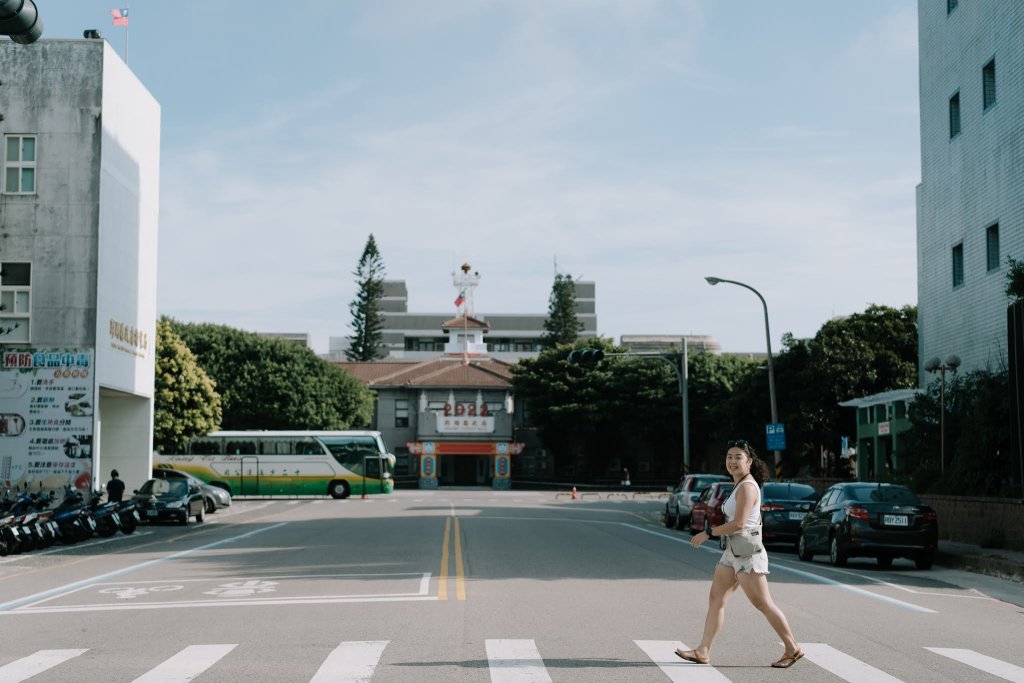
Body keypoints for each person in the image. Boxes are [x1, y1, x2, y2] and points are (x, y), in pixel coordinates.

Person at [676, 440, 803, 669]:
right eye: (729, 457)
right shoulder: (739, 484)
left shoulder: (747, 487)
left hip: (747, 554)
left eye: (738, 457)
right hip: (733, 552)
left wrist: (708, 532)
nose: (732, 461)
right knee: (716, 599)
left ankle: (792, 647)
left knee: (763, 604)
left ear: (749, 462)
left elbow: (739, 523)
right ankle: (703, 650)